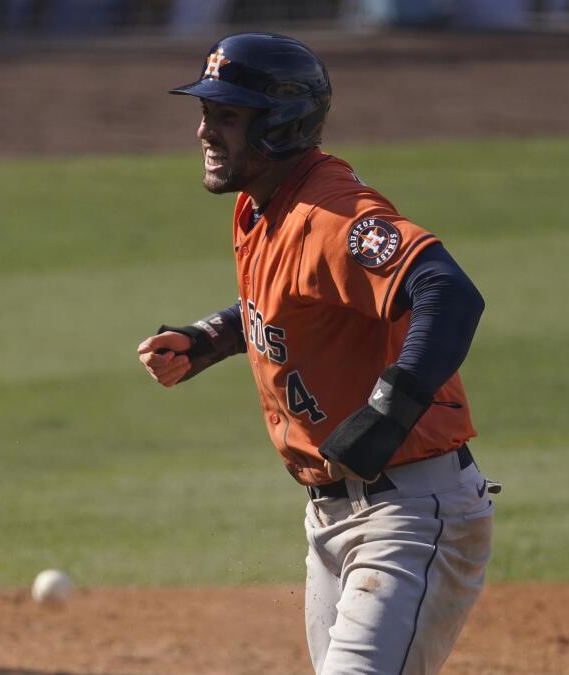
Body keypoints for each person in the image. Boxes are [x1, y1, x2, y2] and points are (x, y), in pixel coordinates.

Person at [137, 32, 495, 674]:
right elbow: (289, 298)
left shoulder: (331, 211)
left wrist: (389, 412)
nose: (204, 132)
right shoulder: (261, 206)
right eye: (204, 113)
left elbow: (446, 292)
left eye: (226, 116)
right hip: (332, 522)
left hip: (407, 517)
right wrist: (210, 338)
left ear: (279, 124)